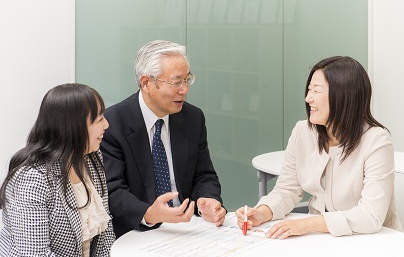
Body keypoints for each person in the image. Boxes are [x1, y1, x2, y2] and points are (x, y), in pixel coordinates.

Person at [236, 56, 403, 239]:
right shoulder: (302, 131)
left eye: (316, 91)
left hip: (372, 240)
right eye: (309, 90)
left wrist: (306, 224)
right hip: (321, 238)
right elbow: (287, 190)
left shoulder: (376, 140)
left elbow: (370, 215)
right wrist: (262, 212)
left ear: (343, 96)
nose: (308, 98)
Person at [100, 40, 226, 238]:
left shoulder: (193, 118)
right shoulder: (113, 123)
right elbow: (112, 191)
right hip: (136, 231)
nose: (184, 90)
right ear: (146, 83)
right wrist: (150, 213)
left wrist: (206, 201)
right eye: (176, 82)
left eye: (187, 80)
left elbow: (204, 175)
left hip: (188, 229)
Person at [0, 84, 115, 256]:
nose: (106, 124)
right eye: (98, 119)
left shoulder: (91, 157)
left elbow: (105, 234)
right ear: (73, 127)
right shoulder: (31, 179)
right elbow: (34, 254)